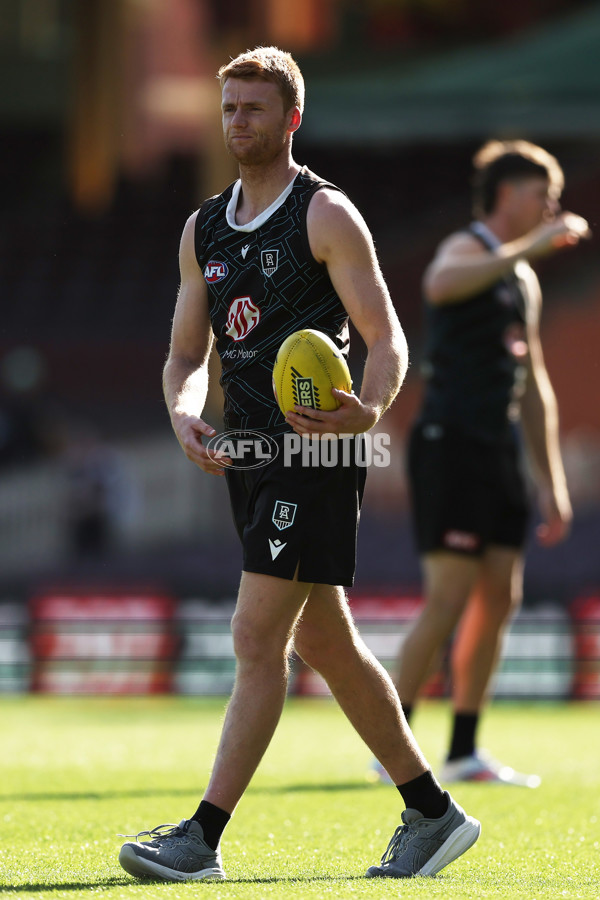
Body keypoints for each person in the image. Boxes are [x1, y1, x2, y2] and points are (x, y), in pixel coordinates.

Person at [118, 46, 480, 882]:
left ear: (292, 118)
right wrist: (182, 411)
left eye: (253, 107)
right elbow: (185, 356)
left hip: (317, 452)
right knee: (329, 644)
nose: (237, 120)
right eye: (229, 107)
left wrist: (369, 407)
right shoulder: (202, 229)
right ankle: (432, 813)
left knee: (255, 637)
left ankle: (201, 838)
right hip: (246, 456)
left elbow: (388, 339)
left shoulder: (325, 214)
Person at [374, 140, 590, 787]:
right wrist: (533, 247)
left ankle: (465, 749)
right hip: (450, 445)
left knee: (500, 596)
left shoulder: (520, 280)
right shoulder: (465, 250)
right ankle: (395, 747)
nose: (550, 207)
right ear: (505, 195)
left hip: (498, 454)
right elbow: (439, 284)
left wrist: (550, 482)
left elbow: (537, 387)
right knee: (447, 597)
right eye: (539, 194)